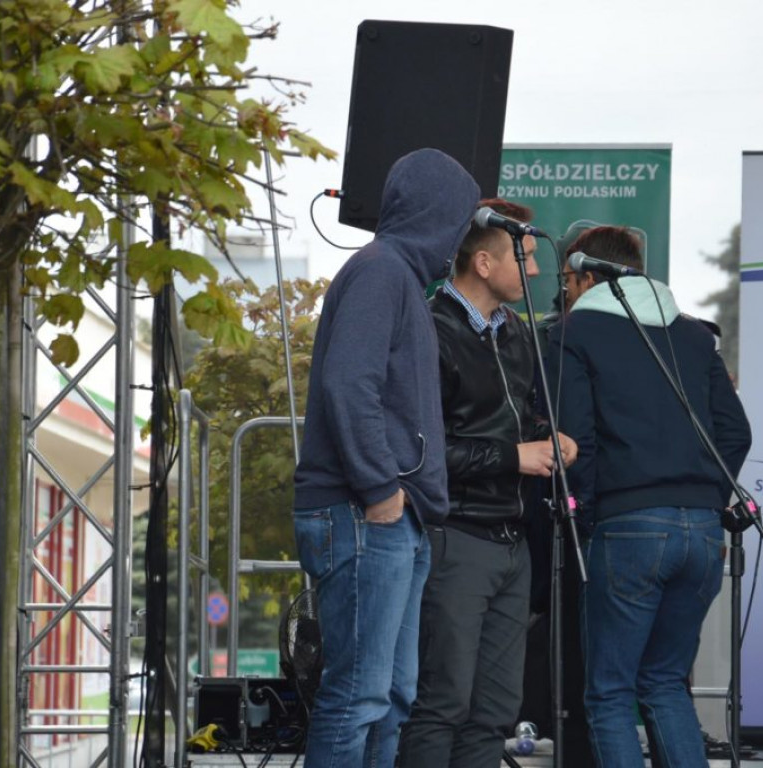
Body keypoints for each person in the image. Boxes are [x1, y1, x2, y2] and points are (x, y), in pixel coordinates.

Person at [291, 148, 480, 767]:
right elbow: (350, 383)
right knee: (358, 697)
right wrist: (379, 490)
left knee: (392, 698)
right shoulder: (381, 272)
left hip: (393, 519)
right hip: (363, 514)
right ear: (440, 215)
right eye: (461, 218)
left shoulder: (399, 277)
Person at [549, 225, 751, 767]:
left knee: (610, 694)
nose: (563, 292)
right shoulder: (692, 335)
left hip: (628, 525)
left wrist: (586, 516)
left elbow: (575, 440)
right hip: (705, 534)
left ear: (590, 276)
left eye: (568, 280)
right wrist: (706, 493)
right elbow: (736, 433)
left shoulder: (577, 331)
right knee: (664, 683)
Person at [397, 199, 578, 768]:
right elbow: (419, 452)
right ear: (481, 262)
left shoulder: (516, 334)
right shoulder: (429, 329)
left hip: (512, 539)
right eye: (523, 259)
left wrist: (551, 438)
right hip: (455, 536)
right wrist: (513, 456)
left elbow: (517, 421)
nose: (535, 270)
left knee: (495, 710)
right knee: (442, 703)